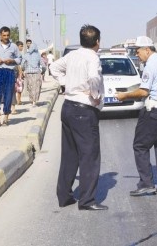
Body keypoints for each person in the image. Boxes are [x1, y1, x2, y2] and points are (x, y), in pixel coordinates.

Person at [114, 36, 157, 196]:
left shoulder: (150, 66)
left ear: (147, 50)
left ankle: (146, 183)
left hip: (153, 112)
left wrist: (124, 96)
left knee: (140, 146)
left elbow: (144, 91)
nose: (137, 55)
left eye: (138, 52)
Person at [49, 24, 107, 211]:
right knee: (89, 156)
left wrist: (66, 83)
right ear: (97, 42)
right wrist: (95, 95)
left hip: (68, 107)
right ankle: (87, 200)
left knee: (69, 154)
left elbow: (53, 68)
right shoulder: (93, 58)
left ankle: (64, 196)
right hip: (84, 110)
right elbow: (94, 78)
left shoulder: (72, 55)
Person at [0, 26, 21, 127]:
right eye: (4, 35)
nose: (6, 37)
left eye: (7, 35)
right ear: (0, 35)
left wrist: (12, 61)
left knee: (8, 96)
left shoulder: (14, 46)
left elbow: (19, 59)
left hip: (9, 73)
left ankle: (6, 118)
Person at [21, 39, 46, 107]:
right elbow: (43, 65)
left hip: (28, 73)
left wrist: (23, 70)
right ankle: (34, 102)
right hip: (36, 73)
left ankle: (31, 101)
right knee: (36, 87)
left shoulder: (25, 55)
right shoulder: (38, 55)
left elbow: (22, 64)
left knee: (30, 87)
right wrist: (42, 72)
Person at [14, 41, 25, 107]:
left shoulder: (17, 54)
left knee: (17, 87)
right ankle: (18, 100)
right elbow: (18, 65)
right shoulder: (18, 55)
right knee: (19, 87)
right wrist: (21, 72)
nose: (22, 47)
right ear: (17, 46)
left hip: (16, 72)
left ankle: (17, 100)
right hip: (18, 73)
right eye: (21, 46)